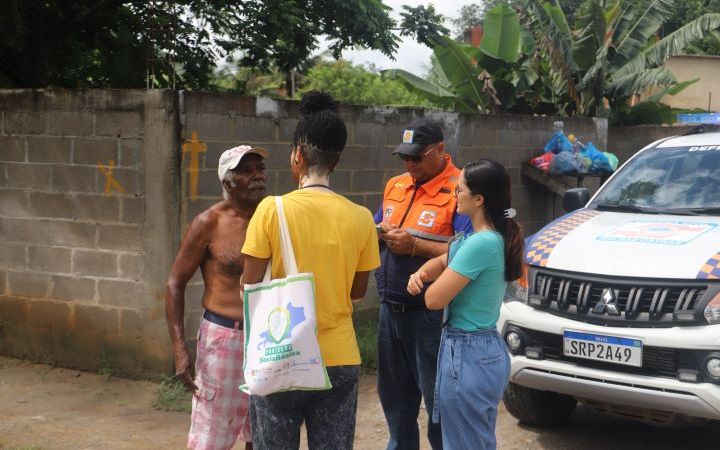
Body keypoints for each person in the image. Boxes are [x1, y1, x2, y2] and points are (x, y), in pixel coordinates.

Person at [240, 91, 381, 450]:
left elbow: (249, 285)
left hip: (281, 353)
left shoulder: (271, 210)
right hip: (339, 358)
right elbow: (357, 291)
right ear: (336, 161)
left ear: (298, 155)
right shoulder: (362, 218)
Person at [407, 159, 524, 450]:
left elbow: (434, 300)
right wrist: (421, 273)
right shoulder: (484, 238)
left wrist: (426, 283)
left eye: (459, 190)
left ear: (479, 199)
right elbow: (443, 260)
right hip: (482, 350)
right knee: (477, 441)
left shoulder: (480, 244)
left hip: (467, 354)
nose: (454, 196)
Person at [374, 119, 472, 450]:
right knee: (395, 404)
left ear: (441, 150)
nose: (410, 164)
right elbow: (375, 230)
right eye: (405, 158)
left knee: (439, 408)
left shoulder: (461, 189)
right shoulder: (396, 185)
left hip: (431, 317)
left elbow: (473, 250)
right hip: (390, 310)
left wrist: (416, 247)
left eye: (417, 157)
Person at [165, 145, 269, 450]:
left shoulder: (274, 216)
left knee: (263, 430)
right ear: (228, 182)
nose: (258, 175)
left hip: (268, 337)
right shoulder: (209, 223)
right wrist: (179, 349)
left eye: (260, 168)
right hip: (225, 337)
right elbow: (174, 283)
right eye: (247, 170)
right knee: (211, 436)